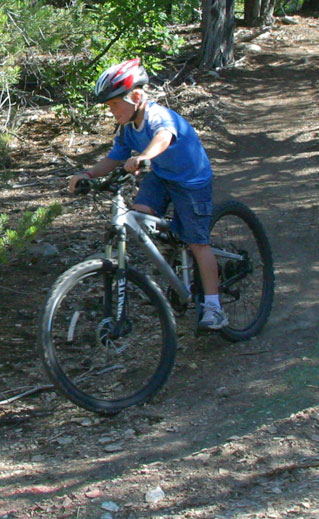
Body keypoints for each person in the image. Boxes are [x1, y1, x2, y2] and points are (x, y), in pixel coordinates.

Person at [68, 58, 228, 329]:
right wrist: (88, 175)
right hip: (162, 177)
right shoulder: (126, 129)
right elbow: (113, 158)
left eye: (115, 104)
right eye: (109, 106)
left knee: (198, 243)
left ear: (137, 96)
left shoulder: (157, 116)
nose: (112, 111)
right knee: (141, 217)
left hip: (191, 181)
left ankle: (214, 307)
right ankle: (176, 259)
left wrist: (143, 156)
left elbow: (163, 137)